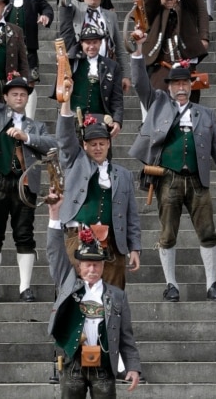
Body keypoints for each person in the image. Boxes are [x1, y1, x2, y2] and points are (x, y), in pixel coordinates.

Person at [129, 35, 216, 301]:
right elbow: (138, 82)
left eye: (185, 83)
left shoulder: (205, 114)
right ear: (168, 87)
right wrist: (138, 50)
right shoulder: (156, 102)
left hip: (198, 180)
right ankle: (171, 285)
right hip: (167, 177)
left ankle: (211, 284)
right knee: (167, 233)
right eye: (176, 83)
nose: (181, 88)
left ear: (191, 85)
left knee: (207, 231)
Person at [0, 48, 54, 303]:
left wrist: (27, 137)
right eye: (14, 94)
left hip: (24, 184)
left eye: (23, 94)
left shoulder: (36, 126)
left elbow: (53, 144)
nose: (19, 97)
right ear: (5, 97)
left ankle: (24, 287)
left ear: (28, 98)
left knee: (24, 234)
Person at [46, 198, 142, 395]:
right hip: (73, 363)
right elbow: (55, 253)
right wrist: (54, 216)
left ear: (103, 266)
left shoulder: (117, 296)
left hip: (104, 366)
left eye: (96, 264)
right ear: (79, 266)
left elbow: (126, 335)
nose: (92, 269)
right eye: (87, 264)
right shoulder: (68, 284)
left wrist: (132, 366)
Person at [57, 89, 140, 288]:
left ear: (109, 145)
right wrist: (66, 102)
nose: (97, 148)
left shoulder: (124, 175)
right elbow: (65, 138)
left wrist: (135, 248)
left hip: (112, 241)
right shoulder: (75, 163)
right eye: (93, 144)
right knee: (77, 294)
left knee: (113, 295)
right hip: (79, 237)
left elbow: (132, 215)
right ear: (85, 146)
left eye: (102, 143)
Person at [59, 0, 131, 92]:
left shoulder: (110, 15)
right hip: (80, 64)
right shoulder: (76, 7)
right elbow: (65, 5)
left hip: (105, 66)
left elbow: (119, 46)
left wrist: (126, 74)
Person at [5, 0, 54, 118]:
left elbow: (46, 7)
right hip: (7, 47)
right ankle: (8, 117)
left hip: (29, 47)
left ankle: (29, 119)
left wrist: (46, 16)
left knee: (30, 82)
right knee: (6, 81)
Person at [66, 26, 124, 137]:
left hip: (100, 121)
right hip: (74, 121)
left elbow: (117, 97)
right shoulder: (72, 62)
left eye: (95, 42)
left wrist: (117, 120)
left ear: (101, 43)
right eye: (88, 43)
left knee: (100, 153)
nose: (91, 47)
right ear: (81, 43)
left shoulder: (112, 66)